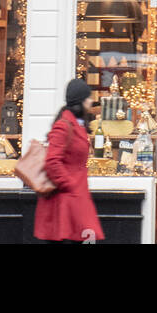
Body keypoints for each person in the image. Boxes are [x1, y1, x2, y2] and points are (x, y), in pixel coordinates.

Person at [34, 79, 105, 244]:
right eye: (87, 97)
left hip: (75, 197)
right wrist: (69, 184)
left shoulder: (76, 125)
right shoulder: (64, 126)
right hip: (64, 201)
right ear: (79, 101)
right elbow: (52, 161)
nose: (90, 100)